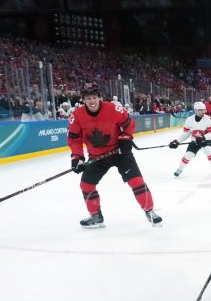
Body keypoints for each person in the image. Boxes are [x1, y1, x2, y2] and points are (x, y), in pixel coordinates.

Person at [67, 83, 162, 229]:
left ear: (99, 98)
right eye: (88, 98)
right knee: (86, 185)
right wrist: (77, 157)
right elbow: (74, 138)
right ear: (83, 100)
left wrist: (125, 137)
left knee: (136, 181)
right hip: (97, 156)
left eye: (94, 97)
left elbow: (129, 124)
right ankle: (96, 216)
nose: (91, 101)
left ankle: (149, 211)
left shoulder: (112, 108)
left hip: (119, 152)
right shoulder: (77, 115)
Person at [168, 101, 211, 178]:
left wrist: (203, 138)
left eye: (204, 110)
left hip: (206, 140)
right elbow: (186, 134)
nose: (203, 111)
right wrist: (177, 141)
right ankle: (180, 169)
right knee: (188, 155)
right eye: (201, 110)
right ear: (196, 110)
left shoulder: (208, 119)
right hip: (195, 141)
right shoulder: (189, 120)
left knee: (208, 150)